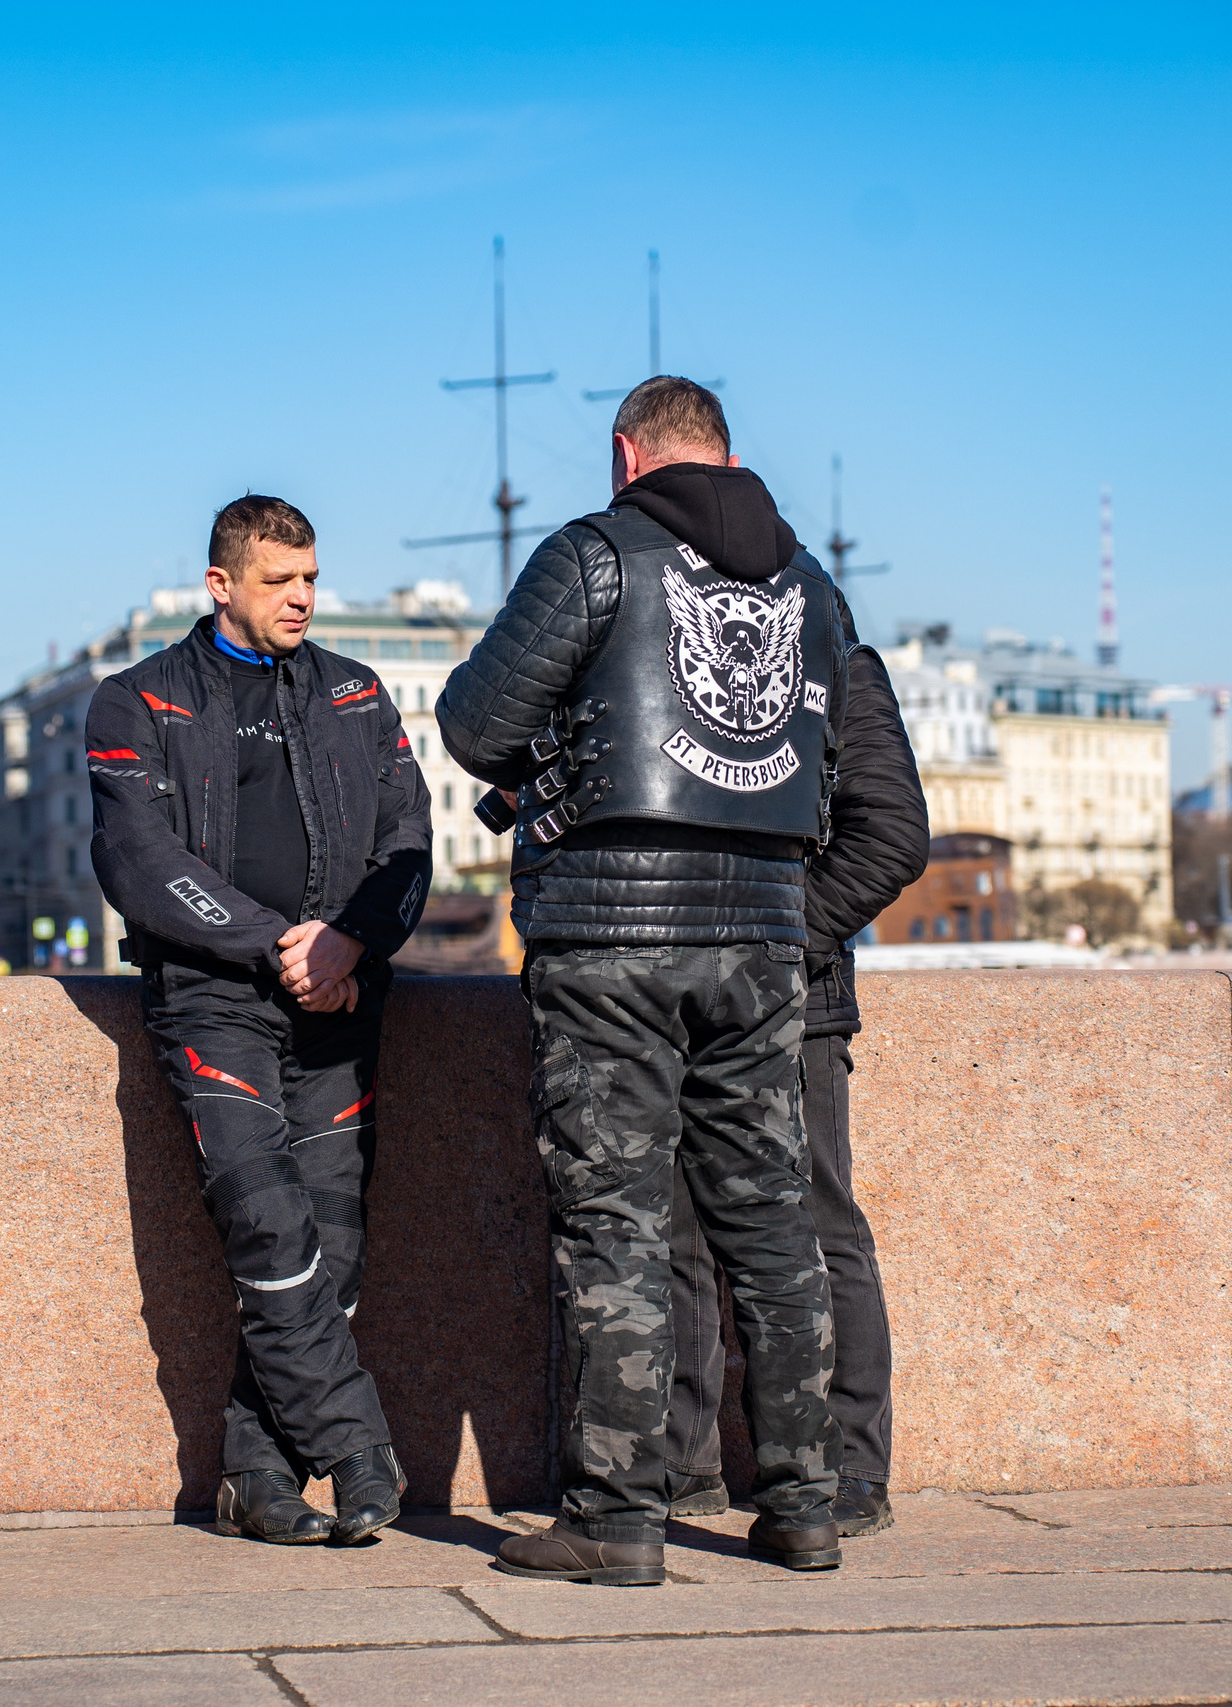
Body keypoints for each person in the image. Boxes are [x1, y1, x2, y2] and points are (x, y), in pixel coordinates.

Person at [437, 378, 847, 1586]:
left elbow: (473, 726)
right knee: (771, 1222)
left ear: (628, 454)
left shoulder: (594, 554)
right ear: (727, 454)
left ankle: (617, 1519)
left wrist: (555, 746)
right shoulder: (810, 584)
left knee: (614, 1222)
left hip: (611, 936)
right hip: (761, 939)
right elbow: (822, 757)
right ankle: (804, 1508)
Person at [85, 493, 433, 1547]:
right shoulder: (136, 701)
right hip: (213, 1002)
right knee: (268, 1225)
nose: (302, 597)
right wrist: (279, 945)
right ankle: (358, 1449)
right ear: (220, 584)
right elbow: (138, 861)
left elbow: (408, 839)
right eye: (279, 580)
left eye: (311, 577)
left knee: (331, 1246)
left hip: (340, 1000)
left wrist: (350, 943)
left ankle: (255, 1475)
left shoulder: (355, 691)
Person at [662, 607, 928, 1537]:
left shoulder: (835, 649)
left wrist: (778, 944)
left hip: (794, 999)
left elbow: (891, 835)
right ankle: (681, 1467)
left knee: (818, 1220)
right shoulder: (665, 629)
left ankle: (850, 1468)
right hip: (676, 987)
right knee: (677, 1230)